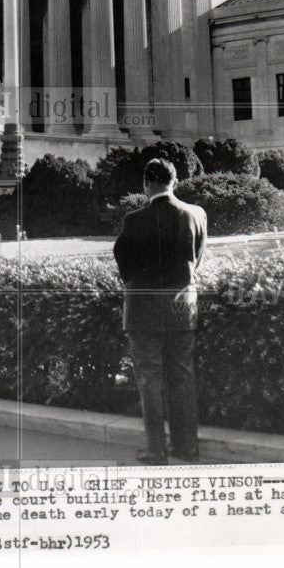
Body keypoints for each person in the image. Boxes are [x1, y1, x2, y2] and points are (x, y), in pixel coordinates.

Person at [113, 158, 207, 465]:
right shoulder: (195, 215)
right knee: (183, 376)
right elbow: (197, 258)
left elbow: (124, 265)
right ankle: (187, 448)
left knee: (149, 380)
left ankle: (157, 450)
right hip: (183, 304)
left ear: (146, 184)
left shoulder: (134, 219)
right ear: (175, 181)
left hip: (143, 308)